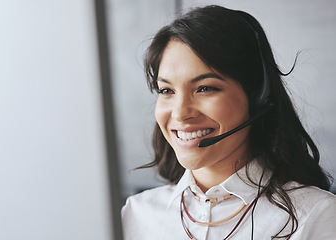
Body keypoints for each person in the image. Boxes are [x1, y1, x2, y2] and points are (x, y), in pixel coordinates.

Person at [121, 5, 336, 240]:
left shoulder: (316, 216)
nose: (181, 113)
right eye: (166, 90)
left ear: (257, 98)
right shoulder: (136, 215)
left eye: (205, 88)